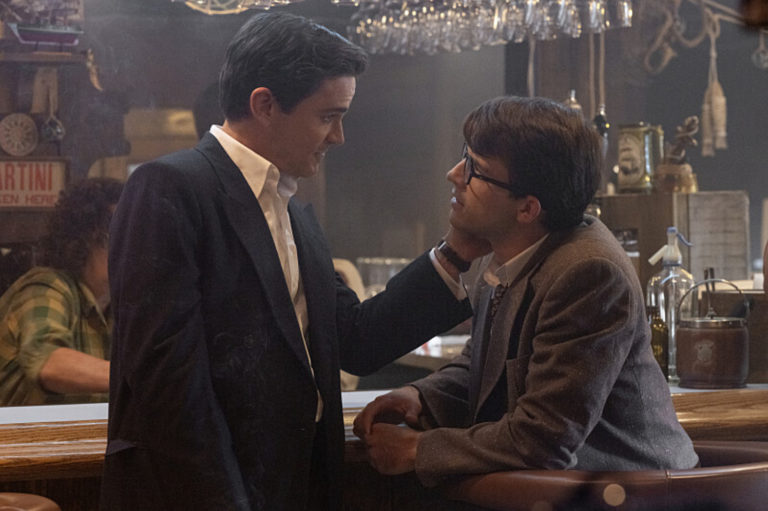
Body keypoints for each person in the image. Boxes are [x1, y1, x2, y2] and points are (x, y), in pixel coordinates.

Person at [101, 12, 481, 511]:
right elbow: (169, 388)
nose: (338, 136)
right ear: (264, 105)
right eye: (327, 116)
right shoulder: (170, 188)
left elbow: (354, 339)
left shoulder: (294, 211)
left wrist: (457, 253)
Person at [353, 96, 699, 488]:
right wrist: (419, 397)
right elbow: (484, 369)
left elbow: (544, 438)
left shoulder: (588, 272)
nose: (454, 174)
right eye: (464, 157)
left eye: (476, 169)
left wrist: (418, 449)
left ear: (527, 209)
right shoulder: (510, 250)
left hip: (635, 495)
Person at [0, 177, 123, 406]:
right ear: (85, 239)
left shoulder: (119, 308)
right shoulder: (46, 287)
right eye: (118, 235)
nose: (131, 248)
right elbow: (49, 362)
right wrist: (137, 378)